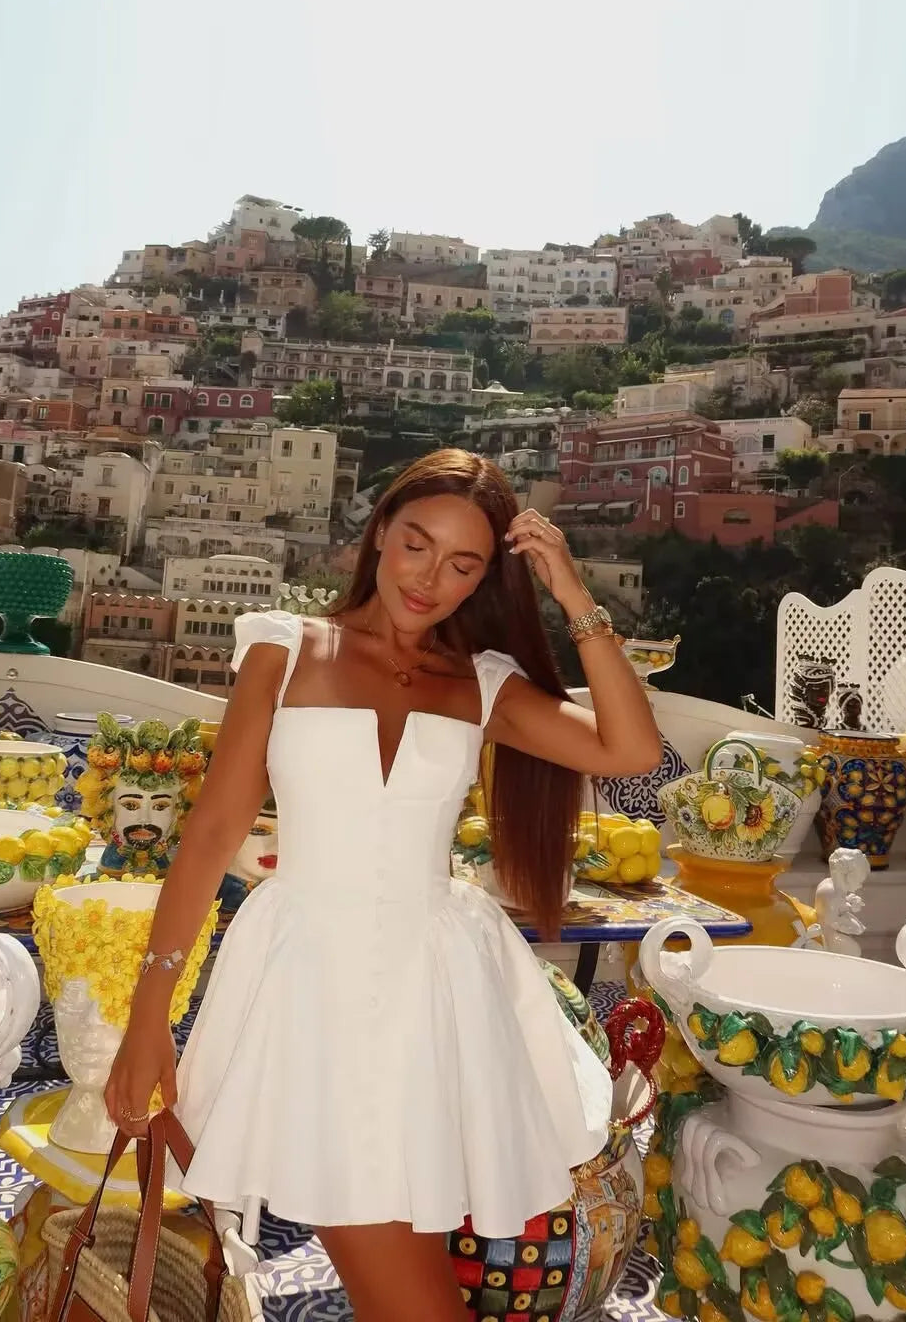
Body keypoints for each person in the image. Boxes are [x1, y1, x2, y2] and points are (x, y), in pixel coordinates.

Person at [105, 449, 662, 1322]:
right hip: (313, 997)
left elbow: (630, 751)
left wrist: (574, 597)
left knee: (410, 1278)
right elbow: (211, 837)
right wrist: (152, 1017)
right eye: (416, 544)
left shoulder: (479, 682)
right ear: (377, 536)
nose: (430, 578)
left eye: (463, 564)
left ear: (485, 578)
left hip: (433, 1000)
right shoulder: (285, 652)